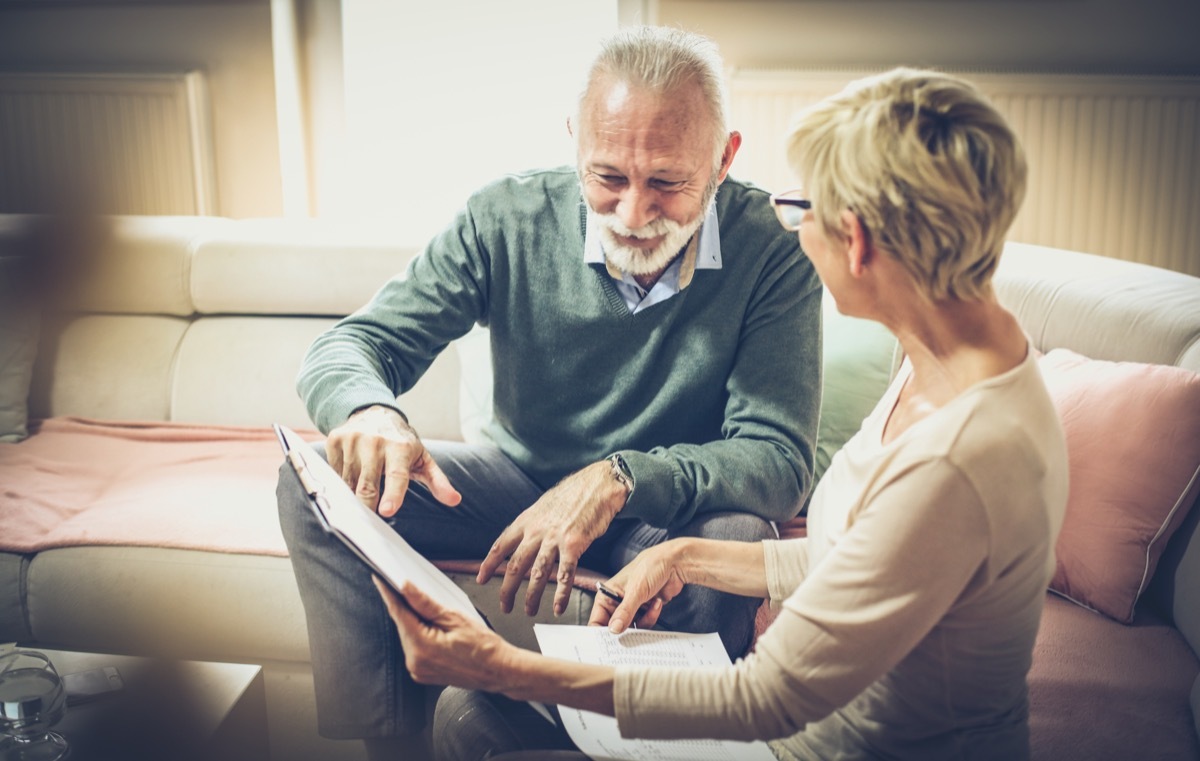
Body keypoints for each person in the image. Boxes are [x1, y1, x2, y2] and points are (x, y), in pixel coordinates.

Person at [373, 67, 1071, 761]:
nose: (793, 231)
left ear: (855, 240)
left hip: (808, 746)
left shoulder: (959, 455)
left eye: (803, 210)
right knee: (472, 721)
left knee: (481, 713)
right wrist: (685, 555)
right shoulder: (964, 357)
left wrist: (498, 663)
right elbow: (868, 554)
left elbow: (765, 697)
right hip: (795, 730)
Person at [277, 25, 823, 757]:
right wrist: (370, 409)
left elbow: (778, 459)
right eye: (607, 177)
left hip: (665, 512)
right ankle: (393, 747)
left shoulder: (774, 250)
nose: (633, 214)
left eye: (667, 181)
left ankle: (652, 741)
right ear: (575, 143)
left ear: (723, 158)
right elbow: (349, 345)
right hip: (516, 483)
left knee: (738, 536)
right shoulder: (504, 218)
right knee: (317, 483)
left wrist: (619, 478)